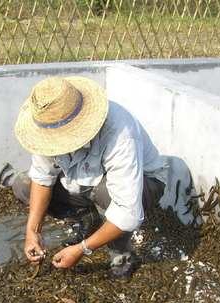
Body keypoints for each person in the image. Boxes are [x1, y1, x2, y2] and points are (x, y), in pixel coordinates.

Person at [12, 76, 168, 280]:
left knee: (105, 193)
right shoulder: (47, 125)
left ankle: (122, 255)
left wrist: (82, 249)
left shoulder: (119, 132)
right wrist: (32, 232)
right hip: (84, 183)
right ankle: (92, 218)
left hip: (144, 184)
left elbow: (128, 213)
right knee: (23, 185)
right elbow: (43, 178)